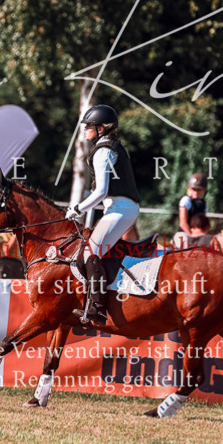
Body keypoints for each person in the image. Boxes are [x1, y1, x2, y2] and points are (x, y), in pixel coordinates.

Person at [66, 104, 141, 326]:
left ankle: (97, 308)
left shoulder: (103, 151)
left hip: (121, 209)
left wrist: (78, 209)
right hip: (118, 208)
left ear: (101, 128)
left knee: (91, 252)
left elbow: (101, 192)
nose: (86, 130)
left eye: (89, 126)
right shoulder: (109, 146)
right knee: (93, 250)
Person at [177, 172, 208, 237]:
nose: (196, 192)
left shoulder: (203, 203)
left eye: (199, 190)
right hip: (184, 233)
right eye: (194, 189)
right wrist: (192, 236)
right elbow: (182, 223)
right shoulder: (186, 200)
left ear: (203, 190)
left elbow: (204, 223)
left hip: (198, 234)